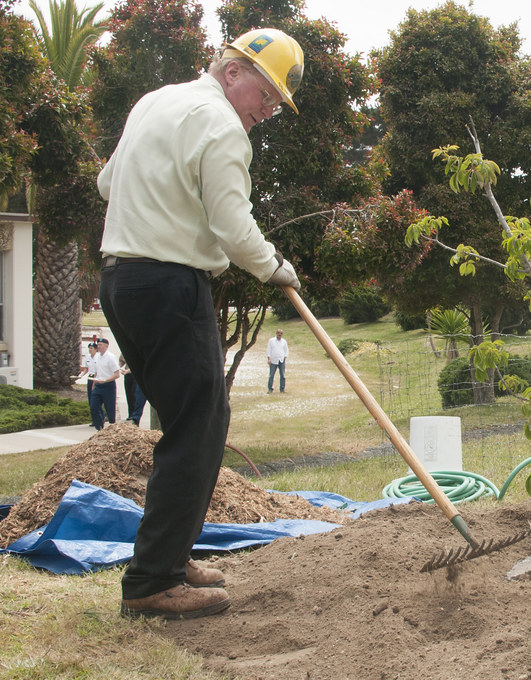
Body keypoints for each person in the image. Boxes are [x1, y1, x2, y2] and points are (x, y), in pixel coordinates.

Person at [96, 27, 304, 620]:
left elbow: (107, 183)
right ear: (232, 70)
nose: (266, 112)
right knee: (201, 427)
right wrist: (278, 270)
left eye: (274, 105)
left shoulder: (155, 101)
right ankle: (153, 581)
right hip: (169, 285)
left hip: (122, 282)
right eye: (266, 96)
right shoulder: (221, 126)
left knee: (190, 422)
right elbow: (235, 231)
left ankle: (170, 553)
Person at [89, 338, 119, 430]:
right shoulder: (97, 357)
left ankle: (113, 429)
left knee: (110, 410)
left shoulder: (110, 357)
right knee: (93, 407)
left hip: (108, 386)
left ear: (106, 346)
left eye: (100, 345)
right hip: (98, 385)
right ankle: (99, 428)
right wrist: (93, 384)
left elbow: (117, 374)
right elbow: (96, 372)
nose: (98, 346)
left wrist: (106, 380)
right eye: (98, 345)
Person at [267, 328, 288, 393]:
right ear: (276, 333)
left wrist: (285, 357)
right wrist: (269, 359)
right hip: (273, 360)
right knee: (271, 375)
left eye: (281, 333)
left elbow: (286, 350)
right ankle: (270, 389)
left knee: (282, 375)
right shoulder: (271, 341)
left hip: (281, 360)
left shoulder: (284, 341)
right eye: (278, 333)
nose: (279, 334)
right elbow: (269, 350)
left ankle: (282, 389)